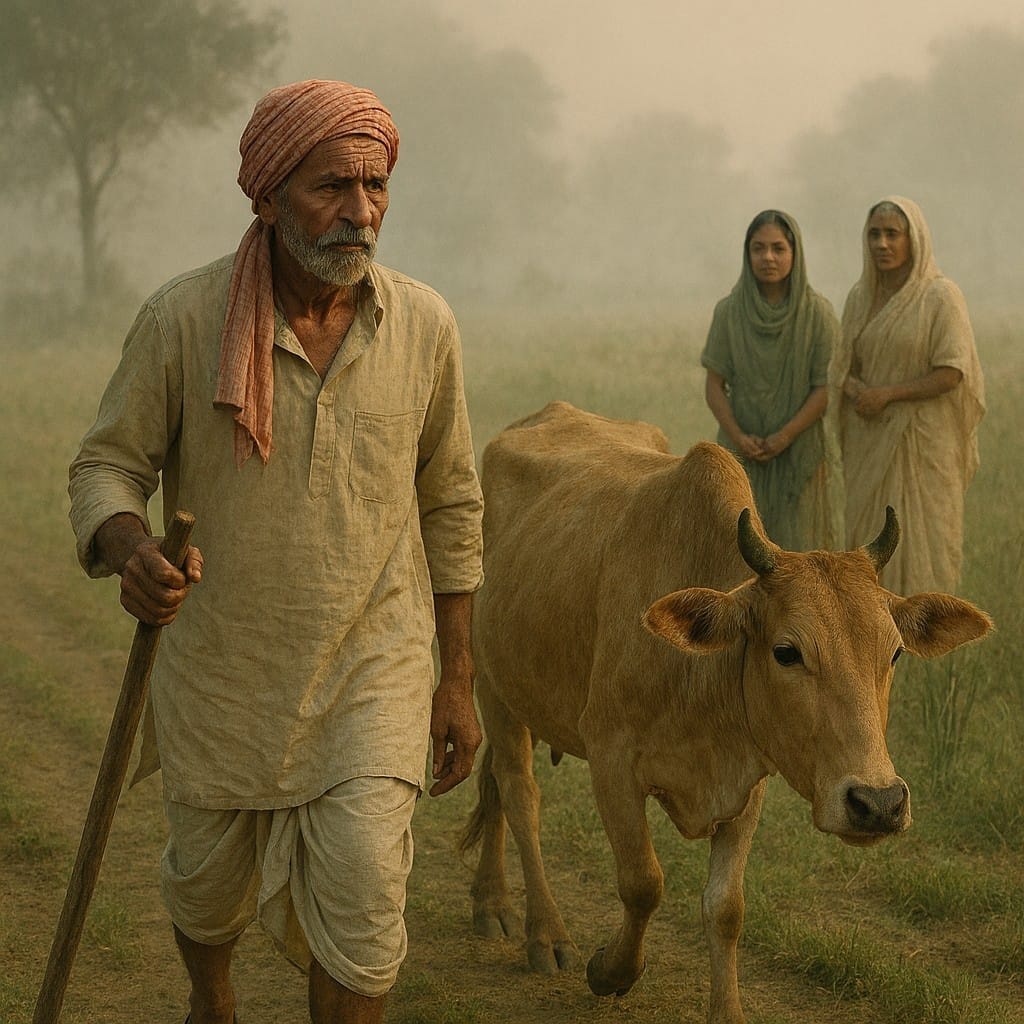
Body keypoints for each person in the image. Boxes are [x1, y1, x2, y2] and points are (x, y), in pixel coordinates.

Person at [68, 80, 484, 1024]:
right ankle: (211, 1004)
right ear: (265, 194)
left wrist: (455, 676)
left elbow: (452, 503)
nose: (360, 213)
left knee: (366, 900)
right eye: (330, 186)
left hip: (372, 670)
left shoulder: (423, 325)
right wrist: (130, 548)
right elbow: (105, 467)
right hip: (223, 670)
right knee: (206, 891)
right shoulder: (183, 320)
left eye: (374, 187)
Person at [834, 196, 984, 594]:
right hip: (869, 440)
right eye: (873, 235)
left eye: (891, 234)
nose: (881, 244)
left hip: (922, 444)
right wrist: (857, 391)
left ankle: (925, 641)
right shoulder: (859, 297)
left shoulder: (940, 296)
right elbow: (842, 366)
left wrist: (888, 395)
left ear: (914, 239)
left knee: (922, 545)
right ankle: (869, 642)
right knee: (866, 547)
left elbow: (952, 371)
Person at [701, 209, 844, 551]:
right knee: (736, 553)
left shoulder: (819, 314)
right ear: (747, 254)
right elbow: (714, 385)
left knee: (800, 555)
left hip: (801, 457)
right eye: (758, 248)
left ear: (795, 254)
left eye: (778, 248)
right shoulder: (728, 312)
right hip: (740, 454)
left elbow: (824, 389)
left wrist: (785, 436)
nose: (768, 257)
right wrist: (738, 437)